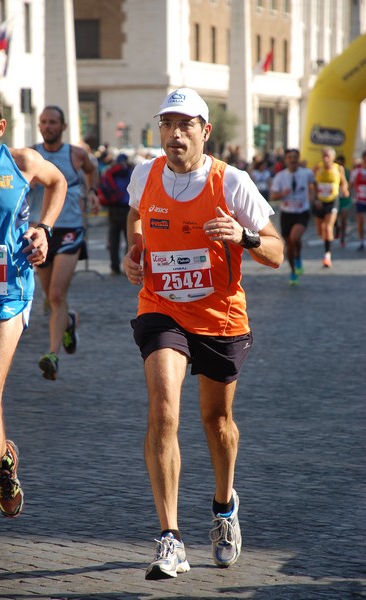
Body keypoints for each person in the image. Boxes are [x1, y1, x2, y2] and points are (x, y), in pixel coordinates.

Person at [123, 88, 284, 580]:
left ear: (204, 131)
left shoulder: (231, 182)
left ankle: (223, 506)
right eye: (167, 123)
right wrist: (135, 249)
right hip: (162, 308)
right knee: (164, 410)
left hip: (219, 317)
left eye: (185, 124)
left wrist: (246, 236)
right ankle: (170, 539)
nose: (175, 133)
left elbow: (277, 252)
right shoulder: (144, 174)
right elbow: (136, 215)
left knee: (217, 423)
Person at [0, 85, 66, 556]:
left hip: (8, 292)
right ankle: (4, 459)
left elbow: (59, 183)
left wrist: (43, 229)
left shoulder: (20, 162)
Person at [27, 106, 99, 381]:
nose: (48, 126)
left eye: (53, 122)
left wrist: (91, 191)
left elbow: (92, 170)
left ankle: (52, 355)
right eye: (44, 122)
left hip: (69, 229)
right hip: (38, 231)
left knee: (56, 294)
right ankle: (68, 321)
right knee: (50, 296)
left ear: (63, 126)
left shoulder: (76, 154)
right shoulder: (30, 155)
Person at [270, 148, 316, 285]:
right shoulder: (280, 176)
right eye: (290, 157)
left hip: (302, 211)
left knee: (295, 237)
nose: (293, 159)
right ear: (286, 160)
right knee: (289, 245)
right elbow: (273, 196)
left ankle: (298, 257)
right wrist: (282, 193)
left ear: (298, 158)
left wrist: (313, 200)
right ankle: (293, 271)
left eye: (295, 157)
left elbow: (313, 186)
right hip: (287, 213)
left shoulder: (307, 173)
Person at [313, 146, 349, 268]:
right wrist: (315, 198)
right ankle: (330, 237)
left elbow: (343, 182)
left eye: (328, 156)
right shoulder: (317, 167)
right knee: (320, 231)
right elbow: (312, 183)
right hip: (319, 202)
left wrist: (344, 190)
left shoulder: (339, 168)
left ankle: (327, 256)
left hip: (332, 201)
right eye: (324, 155)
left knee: (328, 228)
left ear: (333, 157)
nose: (326, 158)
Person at [100, 153, 133, 274]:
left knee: (113, 238)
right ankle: (127, 266)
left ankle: (114, 266)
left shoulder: (111, 172)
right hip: (127, 208)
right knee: (129, 239)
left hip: (113, 208)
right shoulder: (131, 172)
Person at [349, 150, 366, 251]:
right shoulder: (356, 171)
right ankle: (362, 241)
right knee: (360, 221)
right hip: (360, 199)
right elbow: (350, 185)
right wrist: (348, 193)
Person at [335, 155, 352, 247]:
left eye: (341, 164)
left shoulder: (348, 171)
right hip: (335, 198)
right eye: (338, 164)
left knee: (344, 219)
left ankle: (343, 238)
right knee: (335, 219)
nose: (339, 166)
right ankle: (337, 229)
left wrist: (346, 190)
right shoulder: (332, 171)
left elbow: (350, 183)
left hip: (345, 199)